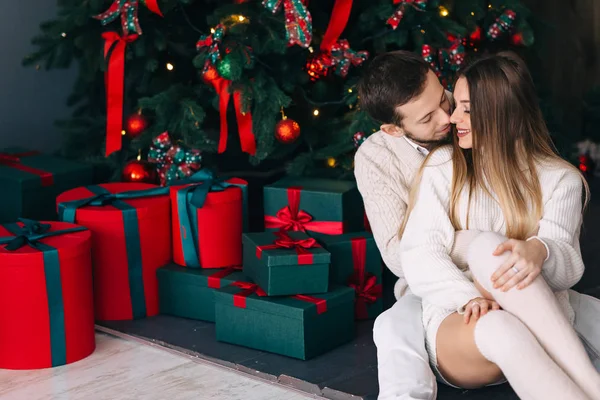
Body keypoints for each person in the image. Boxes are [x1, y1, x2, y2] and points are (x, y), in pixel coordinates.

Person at [354, 50, 600, 400]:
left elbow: (563, 264)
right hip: (447, 298)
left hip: (523, 301)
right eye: (430, 116)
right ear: (395, 128)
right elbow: (407, 254)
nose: (449, 118)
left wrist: (538, 250)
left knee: (516, 283)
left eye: (450, 101)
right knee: (394, 325)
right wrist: (472, 278)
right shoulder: (424, 164)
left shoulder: (561, 179)